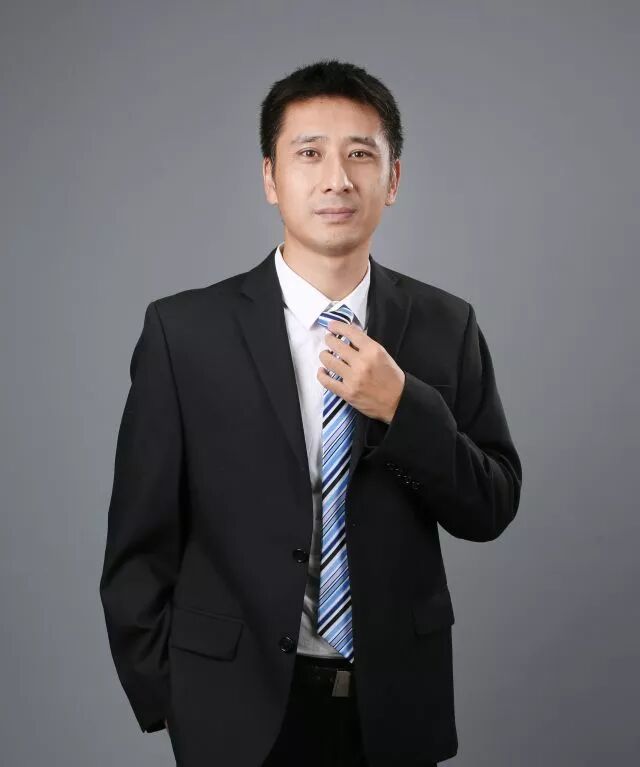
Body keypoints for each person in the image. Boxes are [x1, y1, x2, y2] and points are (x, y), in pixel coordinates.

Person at [99, 58, 522, 767]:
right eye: (309, 154)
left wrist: (403, 406)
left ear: (392, 179)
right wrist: (170, 697)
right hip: (231, 708)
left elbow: (492, 505)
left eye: (360, 154)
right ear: (271, 178)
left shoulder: (447, 325)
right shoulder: (186, 333)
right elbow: (139, 540)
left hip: (394, 705)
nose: (336, 179)